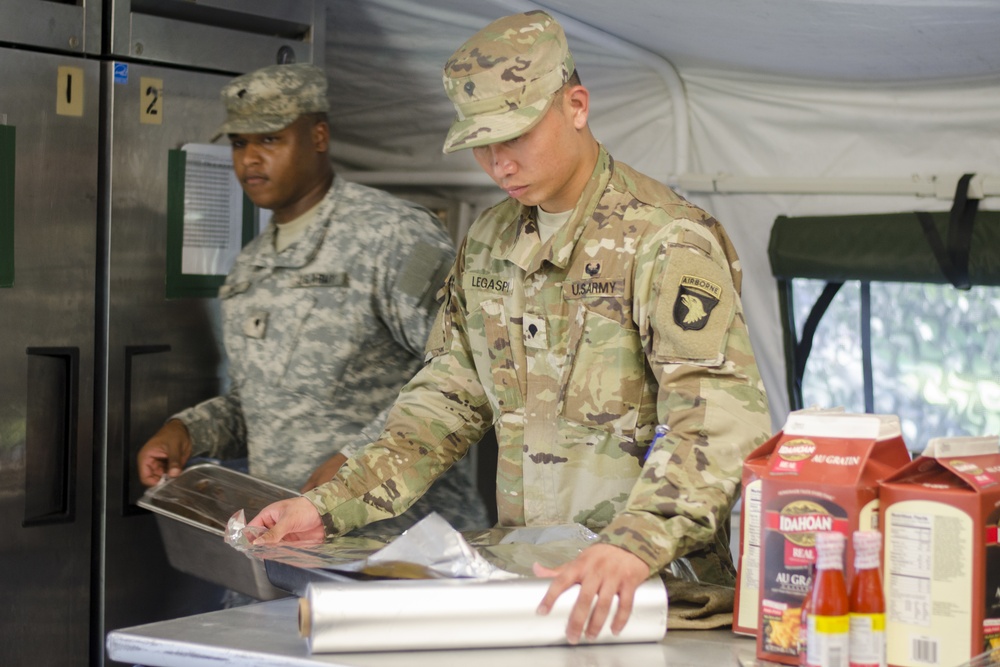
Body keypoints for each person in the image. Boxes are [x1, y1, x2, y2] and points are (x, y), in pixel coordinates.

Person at [248, 11, 771, 642]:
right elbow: (442, 402)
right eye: (482, 142)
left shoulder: (664, 238)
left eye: (515, 136)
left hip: (655, 595)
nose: (498, 162)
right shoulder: (491, 240)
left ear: (575, 106)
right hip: (530, 590)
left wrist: (636, 544)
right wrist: (328, 506)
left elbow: (718, 420)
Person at [137, 63, 488, 537]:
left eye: (270, 140)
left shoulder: (391, 235)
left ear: (318, 136)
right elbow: (264, 405)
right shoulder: (251, 266)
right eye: (240, 143)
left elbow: (467, 370)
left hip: (397, 548)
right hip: (286, 544)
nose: (249, 160)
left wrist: (356, 461)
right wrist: (189, 431)